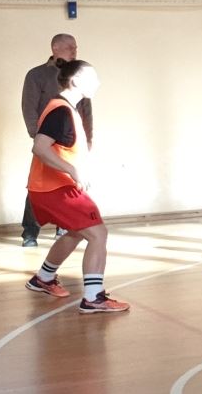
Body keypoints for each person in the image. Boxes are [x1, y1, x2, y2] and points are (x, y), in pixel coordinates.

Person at [21, 61, 128, 314]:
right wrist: (73, 170)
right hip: (55, 188)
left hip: (50, 186)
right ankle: (93, 297)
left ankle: (44, 278)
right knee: (98, 234)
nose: (98, 82)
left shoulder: (67, 109)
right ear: (76, 81)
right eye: (93, 77)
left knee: (77, 231)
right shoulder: (60, 111)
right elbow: (40, 147)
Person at [20, 34, 91, 247]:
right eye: (70, 47)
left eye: (76, 47)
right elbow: (29, 107)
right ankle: (30, 231)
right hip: (47, 140)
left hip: (72, 141)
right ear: (55, 48)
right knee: (40, 184)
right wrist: (38, 136)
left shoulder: (79, 75)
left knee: (70, 183)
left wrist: (88, 138)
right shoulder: (37, 75)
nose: (74, 50)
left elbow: (86, 110)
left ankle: (64, 226)